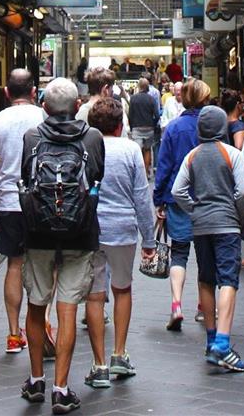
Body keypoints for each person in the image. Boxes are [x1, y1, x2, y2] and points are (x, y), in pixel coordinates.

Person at [18, 78, 105, 414]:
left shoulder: (32, 137)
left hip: (38, 233)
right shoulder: (93, 137)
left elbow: (27, 177)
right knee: (67, 309)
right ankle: (61, 388)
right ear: (77, 105)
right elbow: (97, 176)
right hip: (80, 233)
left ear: (44, 107)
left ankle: (36, 380)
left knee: (36, 305)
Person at [83, 98, 155, 388]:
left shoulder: (84, 147)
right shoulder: (130, 149)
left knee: (94, 296)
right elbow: (141, 196)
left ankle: (99, 364)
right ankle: (119, 354)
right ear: (119, 125)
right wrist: (149, 238)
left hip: (90, 229)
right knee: (122, 289)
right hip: (123, 228)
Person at [172, 106, 244, 372]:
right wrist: (238, 215)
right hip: (226, 224)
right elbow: (243, 191)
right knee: (228, 279)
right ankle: (223, 343)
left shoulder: (192, 155)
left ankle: (210, 339)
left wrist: (194, 209)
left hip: (201, 226)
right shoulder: (232, 154)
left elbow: (178, 191)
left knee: (206, 279)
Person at [0, 70, 46, 354]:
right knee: (43, 266)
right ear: (33, 92)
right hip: (41, 203)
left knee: (14, 265)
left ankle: (14, 334)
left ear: (6, 92)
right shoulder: (44, 118)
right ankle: (41, 327)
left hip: (9, 202)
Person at [153, 78, 210, 330]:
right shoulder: (211, 127)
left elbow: (164, 166)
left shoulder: (174, 128)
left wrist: (159, 199)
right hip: (207, 198)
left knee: (179, 252)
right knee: (205, 254)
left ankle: (176, 304)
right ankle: (203, 306)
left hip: (178, 198)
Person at [75, 66, 130, 137]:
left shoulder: (80, 113)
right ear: (105, 89)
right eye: (111, 88)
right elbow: (123, 137)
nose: (112, 91)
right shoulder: (113, 112)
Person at [128, 78, 159, 173]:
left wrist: (132, 127)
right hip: (149, 128)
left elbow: (130, 115)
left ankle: (139, 172)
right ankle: (146, 172)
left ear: (139, 86)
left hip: (137, 127)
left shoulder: (133, 98)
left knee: (138, 150)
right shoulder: (151, 99)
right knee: (147, 149)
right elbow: (157, 115)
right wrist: (153, 124)